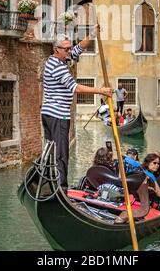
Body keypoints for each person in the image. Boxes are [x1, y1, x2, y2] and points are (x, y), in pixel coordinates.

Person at [41, 29, 112, 190]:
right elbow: (75, 88)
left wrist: (92, 35)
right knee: (61, 153)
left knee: (52, 150)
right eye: (66, 49)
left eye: (68, 48)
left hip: (51, 113)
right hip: (57, 115)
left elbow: (79, 47)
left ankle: (49, 182)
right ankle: (61, 188)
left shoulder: (61, 59)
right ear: (56, 50)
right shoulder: (56, 65)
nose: (69, 51)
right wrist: (100, 91)